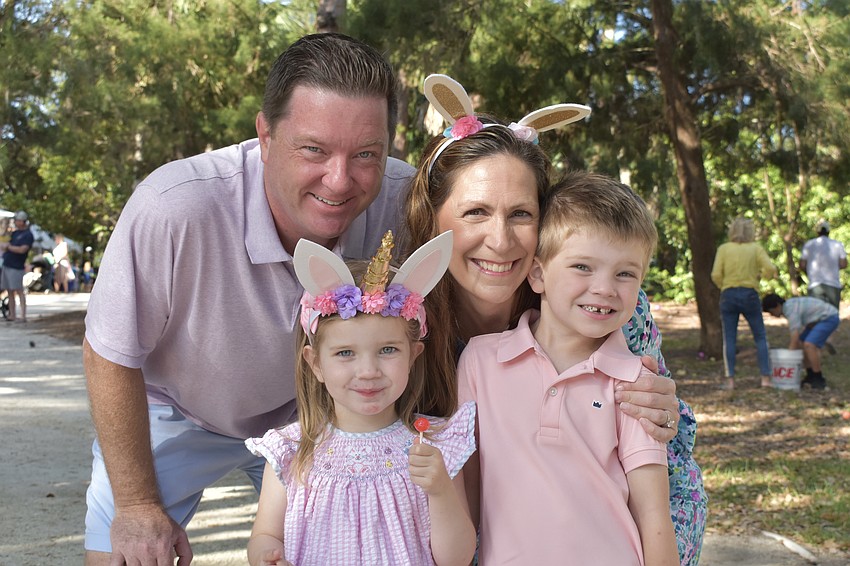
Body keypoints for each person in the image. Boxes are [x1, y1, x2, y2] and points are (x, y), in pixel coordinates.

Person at [82, 35, 686, 564]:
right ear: (264, 136)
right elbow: (109, 350)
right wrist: (135, 503)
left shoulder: (410, 202)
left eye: (366, 154)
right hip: (185, 413)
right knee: (124, 550)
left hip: (343, 412)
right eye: (313, 149)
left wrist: (648, 388)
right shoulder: (176, 209)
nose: (340, 180)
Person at [404, 75, 706, 564]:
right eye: (476, 211)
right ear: (431, 217)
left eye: (521, 214)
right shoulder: (399, 318)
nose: (500, 241)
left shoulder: (602, 305)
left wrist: (665, 411)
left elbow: (664, 451)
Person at [456, 171, 678, 565]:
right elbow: (467, 493)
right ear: (538, 273)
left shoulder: (634, 381)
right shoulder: (479, 361)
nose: (605, 288)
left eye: (625, 273)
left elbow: (654, 515)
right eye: (583, 267)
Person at [246, 231, 476, 566]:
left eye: (387, 350)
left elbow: (456, 558)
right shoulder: (291, 452)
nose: (367, 371)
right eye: (345, 353)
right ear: (315, 363)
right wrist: (265, 554)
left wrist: (440, 490)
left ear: (413, 355)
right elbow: (266, 535)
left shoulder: (435, 446)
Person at [711, 217, 777, 389]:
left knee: (730, 338)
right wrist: (762, 277)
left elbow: (716, 274)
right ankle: (765, 379)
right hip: (750, 294)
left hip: (728, 294)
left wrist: (724, 286)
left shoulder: (724, 249)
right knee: (760, 336)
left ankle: (730, 380)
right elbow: (771, 269)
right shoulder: (756, 249)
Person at [762, 293, 839, 390]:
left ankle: (819, 378)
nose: (772, 315)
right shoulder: (789, 306)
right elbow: (797, 339)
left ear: (777, 305)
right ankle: (810, 375)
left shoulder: (790, 309)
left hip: (828, 318)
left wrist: (787, 359)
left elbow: (795, 336)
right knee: (802, 343)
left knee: (809, 344)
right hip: (815, 321)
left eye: (771, 311)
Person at [800, 220, 847, 308]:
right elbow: (843, 264)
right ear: (828, 232)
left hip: (814, 285)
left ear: (817, 232)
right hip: (833, 284)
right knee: (832, 316)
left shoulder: (809, 244)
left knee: (816, 316)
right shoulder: (837, 245)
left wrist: (809, 271)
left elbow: (802, 265)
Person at [0, 210, 34, 323]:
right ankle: (12, 314)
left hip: (17, 266)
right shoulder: (14, 233)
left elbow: (22, 249)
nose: (16, 222)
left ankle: (23, 315)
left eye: (18, 220)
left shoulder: (28, 235)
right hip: (7, 264)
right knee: (9, 291)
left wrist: (8, 247)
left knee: (19, 290)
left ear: (23, 221)